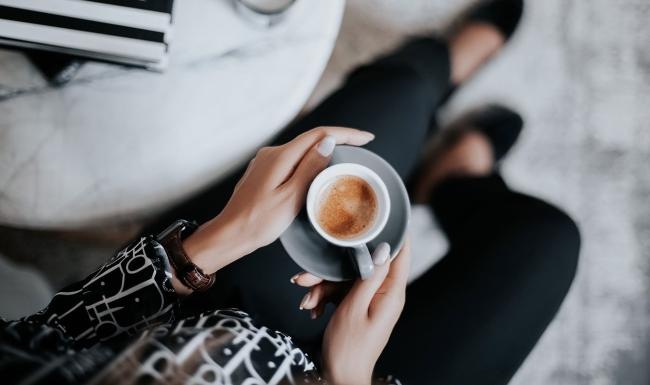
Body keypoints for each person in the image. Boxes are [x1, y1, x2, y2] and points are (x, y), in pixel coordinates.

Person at [0, 0, 581, 384]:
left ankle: (437, 70)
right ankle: (455, 178)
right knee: (546, 240)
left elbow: (44, 337)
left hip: (201, 310)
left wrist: (207, 246)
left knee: (394, 102)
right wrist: (343, 377)